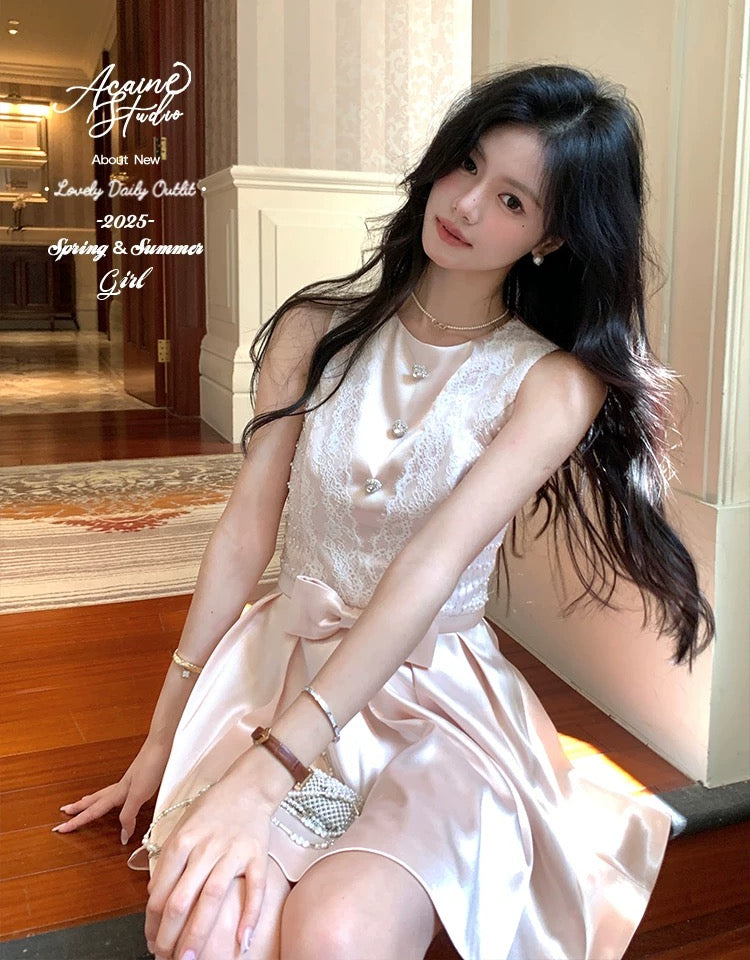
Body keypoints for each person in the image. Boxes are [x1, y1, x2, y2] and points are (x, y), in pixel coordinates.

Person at [53, 64, 714, 960]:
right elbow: (246, 532)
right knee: (206, 932)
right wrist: (161, 738)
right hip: (281, 673)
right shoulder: (314, 330)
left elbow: (428, 568)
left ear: (553, 237)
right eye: (468, 164)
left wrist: (270, 770)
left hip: (434, 713)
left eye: (512, 201)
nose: (467, 205)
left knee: (337, 933)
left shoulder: (551, 384)